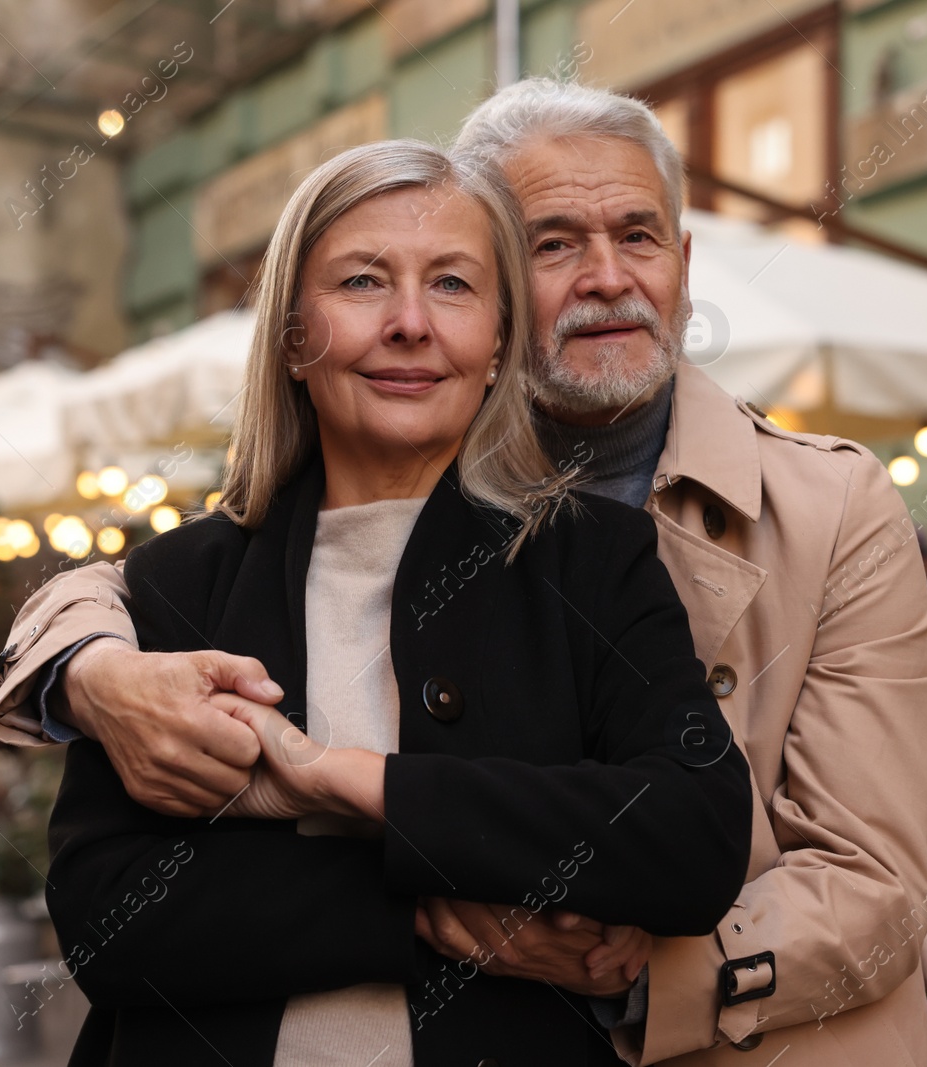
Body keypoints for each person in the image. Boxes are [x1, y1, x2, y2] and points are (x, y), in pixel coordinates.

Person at [0, 79, 927, 1066]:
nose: (606, 276)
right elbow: (112, 900)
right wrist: (89, 670)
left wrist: (623, 971)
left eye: (638, 235)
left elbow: (859, 873)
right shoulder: (214, 559)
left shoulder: (810, 510)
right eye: (553, 243)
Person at [41, 138, 753, 1067]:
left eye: (453, 285)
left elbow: (690, 835)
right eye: (365, 282)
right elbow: (107, 916)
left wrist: (344, 780)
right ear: (295, 336)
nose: (411, 323)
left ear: (500, 340)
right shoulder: (177, 581)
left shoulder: (591, 559)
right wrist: (426, 904)